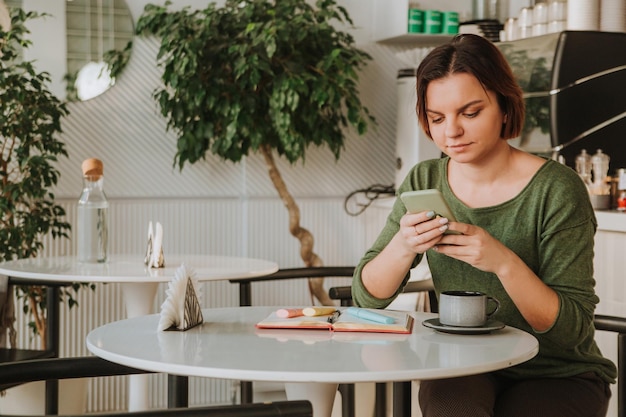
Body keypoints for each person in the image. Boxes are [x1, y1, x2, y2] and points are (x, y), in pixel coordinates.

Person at [351, 33, 616, 417]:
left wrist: (503, 263)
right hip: (464, 361)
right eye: (437, 118)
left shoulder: (557, 189)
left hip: (557, 372)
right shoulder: (424, 179)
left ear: (505, 108)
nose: (451, 132)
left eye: (470, 113)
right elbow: (366, 297)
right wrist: (403, 246)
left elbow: (569, 330)